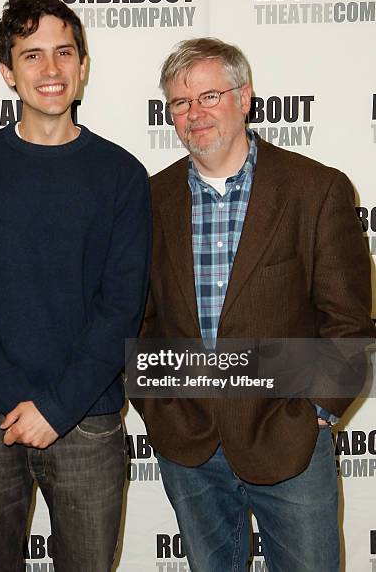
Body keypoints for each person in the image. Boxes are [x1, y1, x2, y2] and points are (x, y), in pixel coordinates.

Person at [132, 38, 375, 571]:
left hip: (288, 442)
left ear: (244, 98)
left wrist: (316, 411)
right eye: (180, 102)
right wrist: (160, 413)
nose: (194, 114)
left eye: (209, 96)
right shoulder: (149, 200)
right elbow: (140, 318)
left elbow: (349, 323)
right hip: (188, 445)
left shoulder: (317, 190)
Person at [0, 0, 150, 572]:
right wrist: (19, 403)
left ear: (82, 65)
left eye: (64, 52)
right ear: (7, 71)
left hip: (88, 421)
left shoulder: (122, 174)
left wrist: (56, 408)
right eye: (32, 56)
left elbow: (121, 308)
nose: (50, 70)